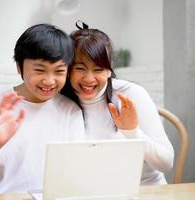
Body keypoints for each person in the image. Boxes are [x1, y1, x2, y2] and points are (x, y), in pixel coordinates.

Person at [0, 24, 85, 194]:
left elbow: (77, 171)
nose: (49, 81)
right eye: (40, 70)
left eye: (59, 71)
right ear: (19, 67)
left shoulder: (70, 111)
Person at [61, 22, 174, 185]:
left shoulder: (130, 94)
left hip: (145, 190)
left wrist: (132, 133)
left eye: (98, 69)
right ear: (68, 68)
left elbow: (166, 163)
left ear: (110, 69)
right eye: (80, 68)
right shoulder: (61, 102)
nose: (88, 79)